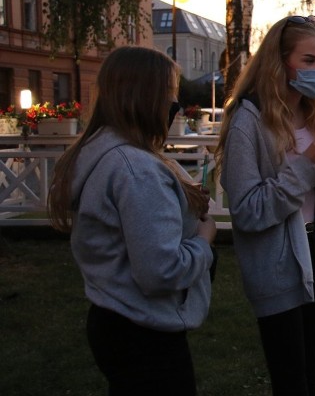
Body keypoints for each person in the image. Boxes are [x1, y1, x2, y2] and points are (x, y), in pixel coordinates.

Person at [47, 46, 217, 396]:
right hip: (145, 334)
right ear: (146, 97)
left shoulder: (102, 153)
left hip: (115, 321)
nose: (175, 105)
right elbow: (161, 272)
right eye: (170, 94)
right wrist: (204, 241)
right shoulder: (135, 169)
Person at [216, 14, 315, 396]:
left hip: (313, 255)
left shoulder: (313, 113)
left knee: (309, 376)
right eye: (309, 60)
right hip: (275, 264)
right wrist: (309, 166)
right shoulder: (248, 121)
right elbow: (246, 211)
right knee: (291, 382)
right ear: (281, 61)